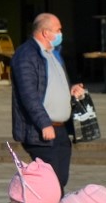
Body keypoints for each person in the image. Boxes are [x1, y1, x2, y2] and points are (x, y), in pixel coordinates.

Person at [10, 13, 86, 190]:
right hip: (40, 131)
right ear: (45, 32)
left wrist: (70, 90)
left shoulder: (53, 53)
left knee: (61, 179)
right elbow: (28, 94)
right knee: (51, 182)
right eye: (58, 30)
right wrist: (44, 123)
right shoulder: (26, 55)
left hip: (60, 129)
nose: (61, 34)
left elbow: (50, 85)